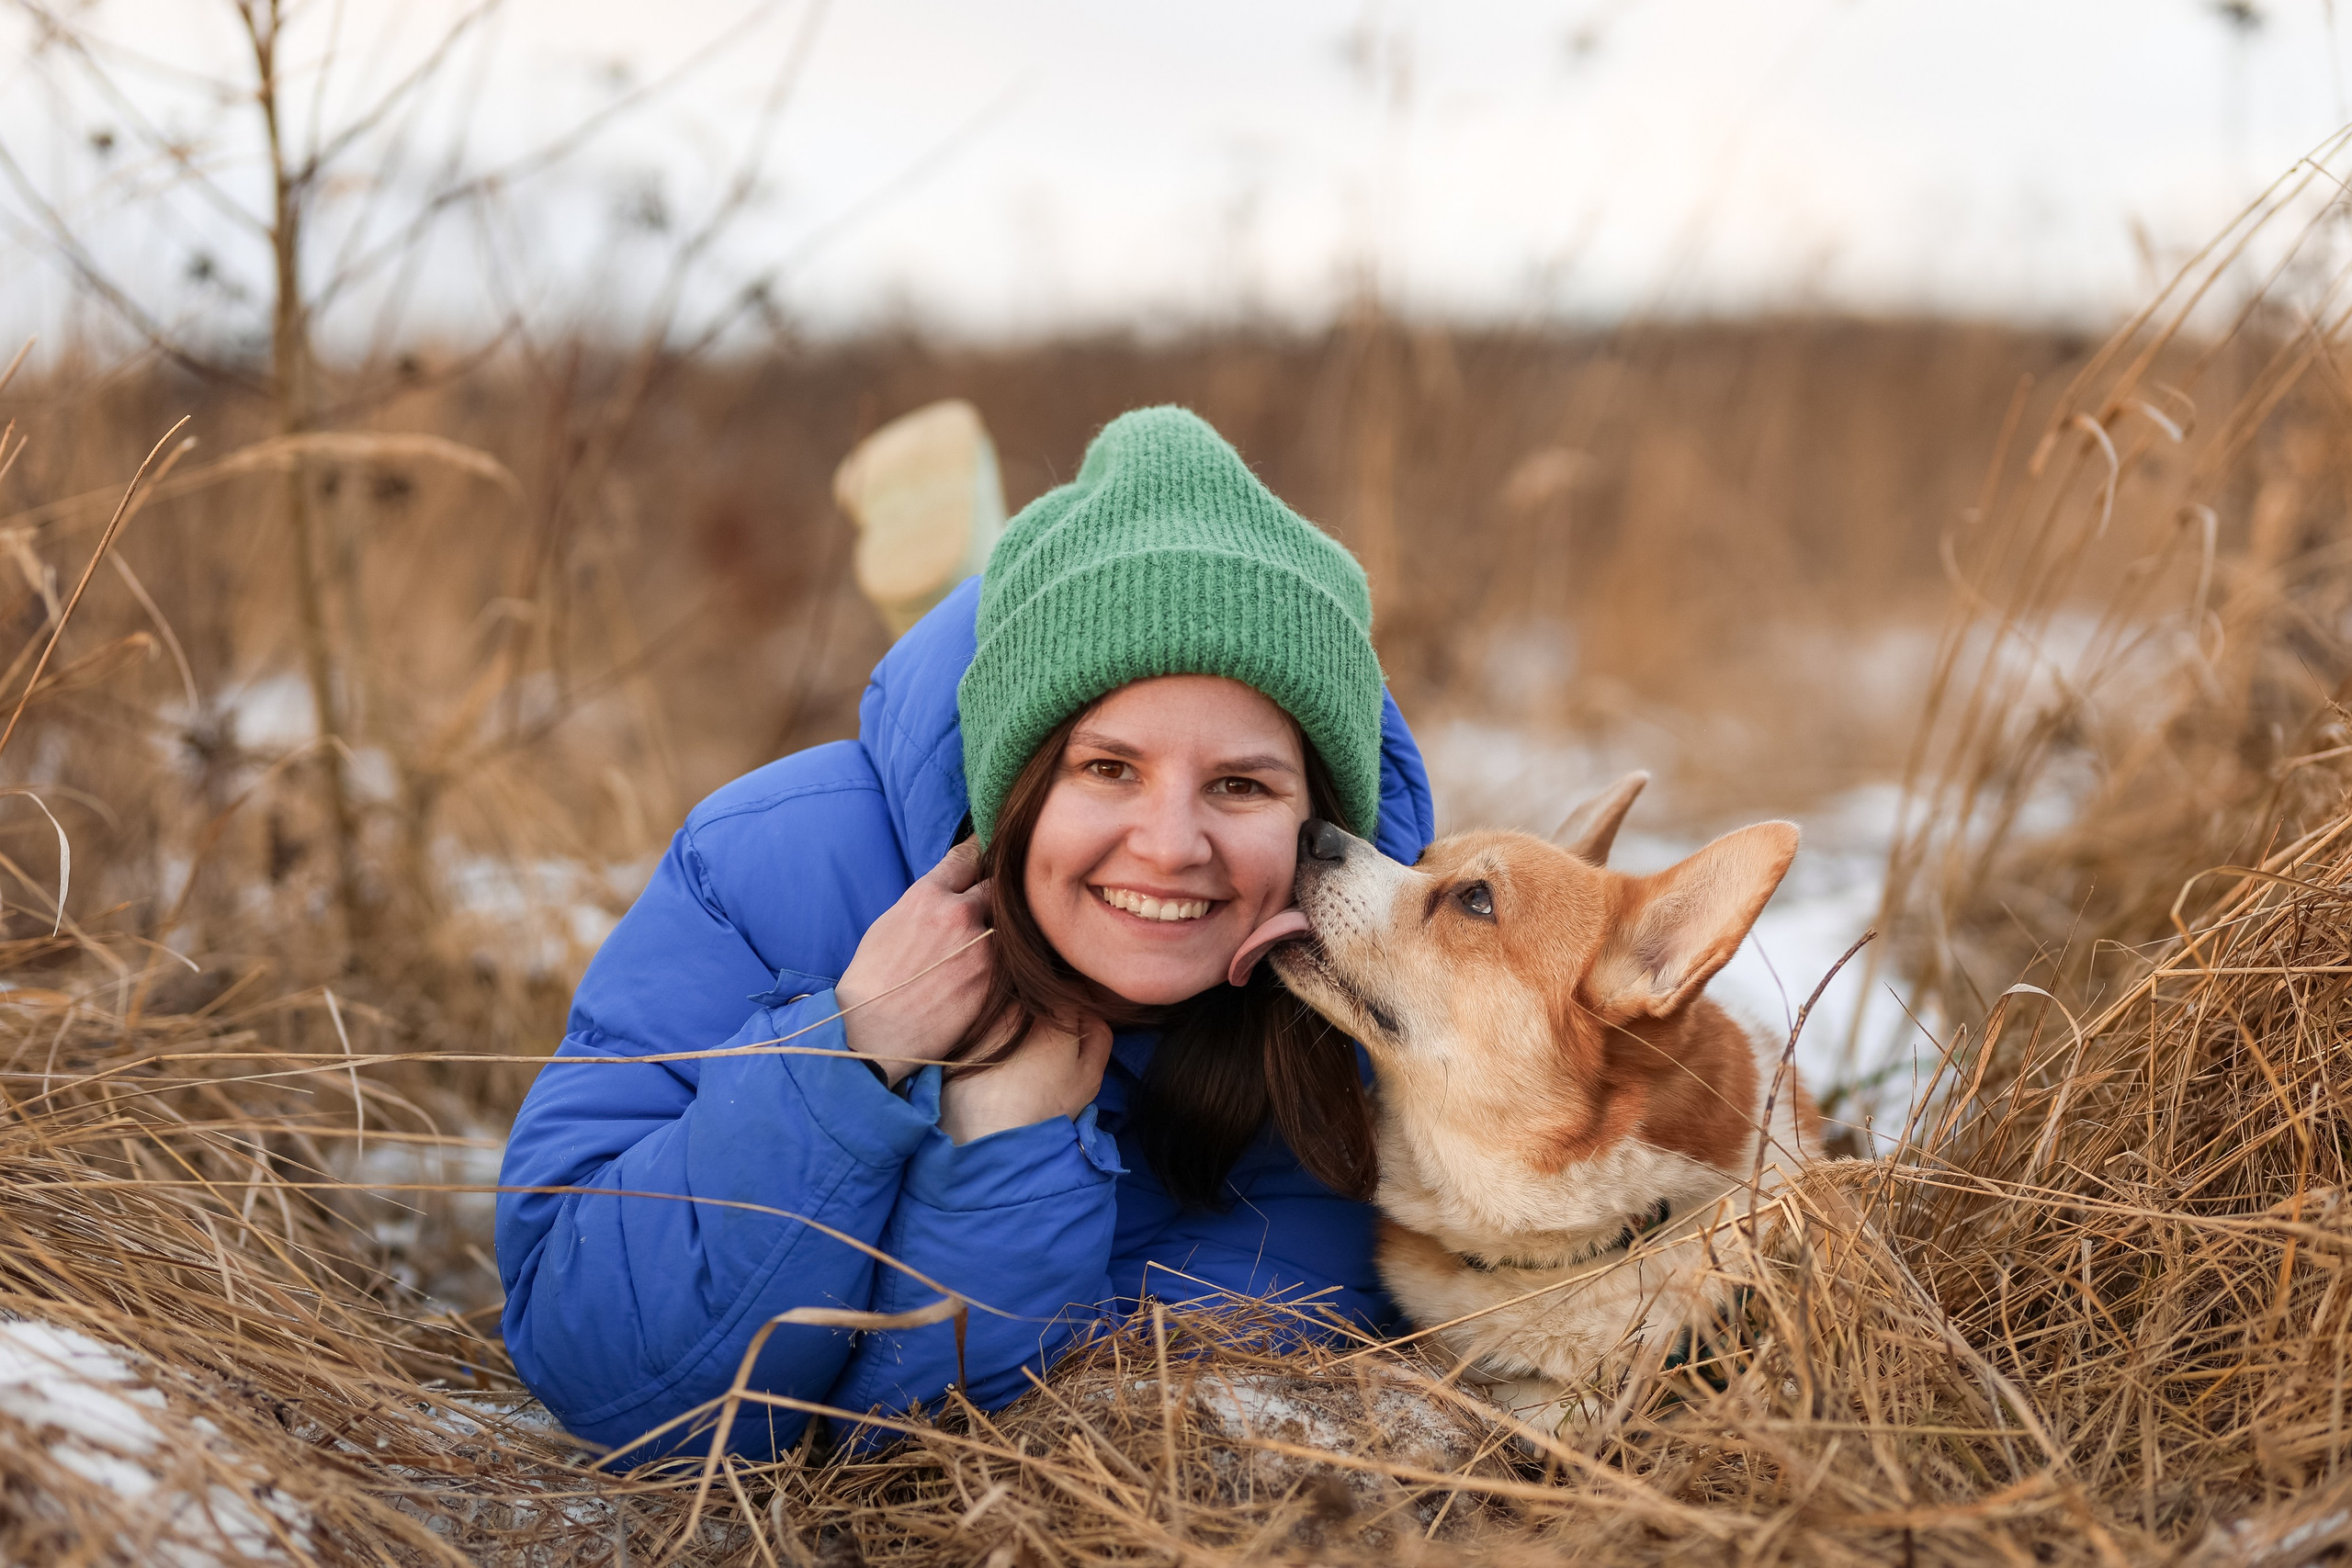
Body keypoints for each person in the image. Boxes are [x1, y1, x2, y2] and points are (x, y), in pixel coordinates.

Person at [495, 407, 1434, 1459]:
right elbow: (604, 1370)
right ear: (1021, 777)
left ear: (1318, 819)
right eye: (1106, 767)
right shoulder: (772, 864)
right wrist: (848, 1052)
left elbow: (1053, 1446)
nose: (1172, 848)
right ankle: (965, 586)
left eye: (1240, 785)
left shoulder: (1357, 1025)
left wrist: (1011, 1152)